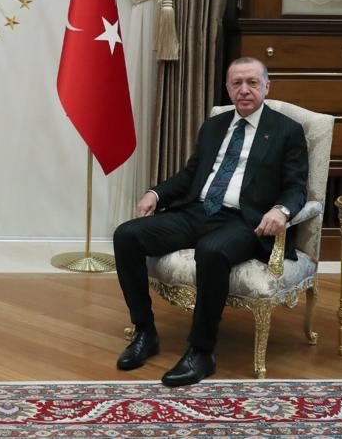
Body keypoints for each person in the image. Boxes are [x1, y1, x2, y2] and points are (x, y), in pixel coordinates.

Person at [113, 57, 308, 386]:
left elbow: (296, 186)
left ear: (266, 86)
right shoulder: (215, 125)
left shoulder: (286, 130)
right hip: (197, 211)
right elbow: (191, 175)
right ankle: (145, 332)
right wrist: (156, 193)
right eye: (237, 83)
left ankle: (201, 351)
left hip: (244, 221)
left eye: (252, 82)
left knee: (212, 250)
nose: (244, 90)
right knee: (126, 236)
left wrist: (281, 210)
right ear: (228, 88)